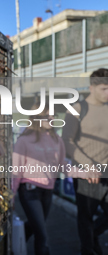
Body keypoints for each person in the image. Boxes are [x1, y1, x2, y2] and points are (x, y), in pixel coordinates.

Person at [62, 68, 108, 255]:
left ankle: (94, 236)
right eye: (104, 88)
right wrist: (88, 166)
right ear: (92, 88)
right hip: (86, 175)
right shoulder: (77, 109)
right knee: (86, 218)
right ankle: (87, 249)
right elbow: (67, 141)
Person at [12, 103, 66, 255]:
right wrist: (12, 195)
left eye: (52, 116)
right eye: (46, 116)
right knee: (42, 236)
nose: (51, 119)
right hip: (29, 191)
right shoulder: (24, 140)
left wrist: (84, 172)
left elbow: (62, 165)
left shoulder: (57, 139)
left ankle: (17, 236)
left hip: (48, 191)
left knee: (36, 227)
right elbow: (16, 170)